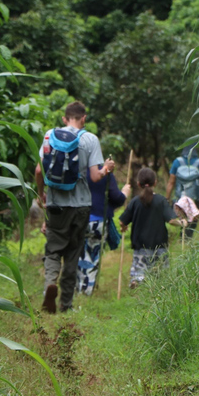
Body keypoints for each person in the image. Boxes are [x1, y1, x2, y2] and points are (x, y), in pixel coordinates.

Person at [35, 101, 115, 313]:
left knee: (53, 250)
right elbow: (95, 177)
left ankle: (50, 284)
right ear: (83, 119)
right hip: (81, 206)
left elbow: (37, 171)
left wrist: (41, 194)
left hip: (55, 205)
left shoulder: (49, 136)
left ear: (64, 119)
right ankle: (66, 305)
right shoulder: (90, 139)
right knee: (72, 254)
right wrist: (106, 168)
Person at [120, 168, 187, 287]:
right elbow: (171, 220)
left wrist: (124, 227)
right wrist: (182, 223)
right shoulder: (161, 201)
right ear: (155, 182)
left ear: (138, 184)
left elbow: (122, 221)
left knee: (139, 270)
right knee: (161, 274)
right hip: (160, 246)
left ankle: (137, 281)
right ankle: (159, 288)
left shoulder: (135, 201)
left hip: (140, 247)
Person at [77, 174, 131, 295]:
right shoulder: (105, 173)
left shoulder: (79, 168)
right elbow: (116, 198)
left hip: (77, 217)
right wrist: (125, 193)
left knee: (78, 254)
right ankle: (86, 290)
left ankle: (76, 287)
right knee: (93, 255)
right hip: (98, 220)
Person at [166, 144, 199, 238]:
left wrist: (167, 198)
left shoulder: (177, 162)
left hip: (180, 198)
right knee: (191, 224)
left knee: (182, 222)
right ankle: (187, 241)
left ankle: (182, 240)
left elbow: (171, 182)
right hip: (195, 199)